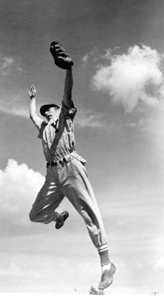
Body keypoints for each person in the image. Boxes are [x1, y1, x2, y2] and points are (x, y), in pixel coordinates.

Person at [27, 44, 116, 291]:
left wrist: (68, 68)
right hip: (52, 174)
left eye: (50, 109)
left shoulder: (64, 117)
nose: (47, 113)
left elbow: (67, 93)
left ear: (58, 110)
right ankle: (59, 217)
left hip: (71, 166)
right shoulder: (44, 128)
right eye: (45, 112)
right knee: (35, 214)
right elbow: (33, 116)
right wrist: (33, 100)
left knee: (89, 211)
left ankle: (107, 265)